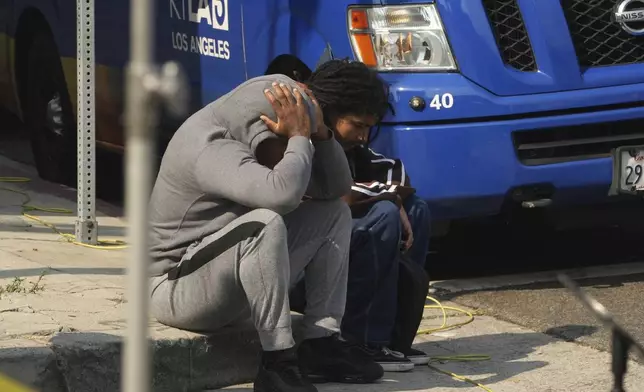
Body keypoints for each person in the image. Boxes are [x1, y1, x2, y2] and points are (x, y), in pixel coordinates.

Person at [147, 62, 390, 392]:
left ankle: (320, 343)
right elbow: (283, 195)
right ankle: (278, 364)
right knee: (264, 223)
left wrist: (321, 134)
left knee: (332, 214)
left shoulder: (268, 137)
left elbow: (335, 189)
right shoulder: (212, 145)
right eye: (284, 130)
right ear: (265, 125)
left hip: (225, 277)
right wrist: (301, 136)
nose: (289, 143)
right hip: (176, 288)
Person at [341, 142, 432, 371]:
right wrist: (390, 196)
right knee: (385, 213)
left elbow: (395, 171)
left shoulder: (356, 150)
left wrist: (393, 195)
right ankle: (368, 340)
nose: (361, 136)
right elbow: (341, 191)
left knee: (417, 209)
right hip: (314, 246)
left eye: (367, 128)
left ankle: (397, 336)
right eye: (356, 125)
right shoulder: (317, 143)